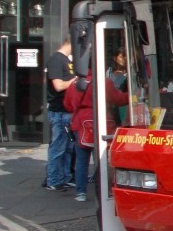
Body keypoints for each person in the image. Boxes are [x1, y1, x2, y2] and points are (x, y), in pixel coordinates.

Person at [65, 73, 127, 202]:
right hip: (101, 122)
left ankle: (81, 192)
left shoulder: (74, 84)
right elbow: (118, 99)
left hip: (80, 123)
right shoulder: (104, 82)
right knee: (102, 159)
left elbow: (67, 104)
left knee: (81, 161)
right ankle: (103, 190)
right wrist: (133, 95)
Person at [44, 37, 77, 192]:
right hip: (59, 111)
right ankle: (53, 179)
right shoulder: (56, 60)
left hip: (67, 111)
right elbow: (58, 86)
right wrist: (76, 80)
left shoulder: (66, 60)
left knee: (68, 148)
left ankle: (64, 177)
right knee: (58, 147)